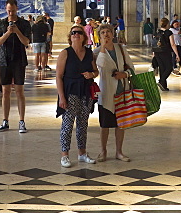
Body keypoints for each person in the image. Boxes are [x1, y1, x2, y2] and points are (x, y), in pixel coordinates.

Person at [56, 25, 98, 167]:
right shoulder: (65, 53)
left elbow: (96, 71)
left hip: (86, 92)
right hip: (70, 91)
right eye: (73, 33)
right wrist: (62, 97)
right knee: (67, 124)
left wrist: (91, 74)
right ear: (70, 36)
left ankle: (82, 153)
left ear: (84, 36)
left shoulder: (89, 53)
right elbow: (59, 76)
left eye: (79, 33)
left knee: (82, 124)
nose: (76, 35)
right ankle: (64, 155)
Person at [95, 23, 133, 162]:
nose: (106, 34)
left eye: (108, 32)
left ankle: (119, 151)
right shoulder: (97, 51)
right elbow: (101, 66)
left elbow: (132, 68)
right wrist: (103, 47)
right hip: (106, 93)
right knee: (104, 125)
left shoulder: (121, 49)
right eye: (103, 32)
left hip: (122, 91)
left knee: (120, 124)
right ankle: (103, 151)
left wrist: (125, 74)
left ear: (113, 34)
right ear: (100, 36)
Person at [0, 0, 32, 133]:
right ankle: (5, 121)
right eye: (9, 10)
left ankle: (22, 121)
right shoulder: (0, 23)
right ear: (5, 9)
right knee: (5, 91)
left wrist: (17, 31)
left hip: (19, 60)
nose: (11, 13)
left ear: (17, 9)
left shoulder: (24, 24)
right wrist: (8, 32)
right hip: (4, 60)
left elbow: (26, 42)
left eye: (13, 10)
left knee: (19, 91)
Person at [152, 18, 177, 91]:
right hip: (166, 52)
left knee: (162, 68)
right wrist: (177, 54)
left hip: (157, 52)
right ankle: (161, 81)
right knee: (169, 68)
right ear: (167, 24)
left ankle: (164, 86)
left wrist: (153, 53)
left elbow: (154, 43)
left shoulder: (156, 32)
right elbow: (172, 44)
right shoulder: (168, 32)